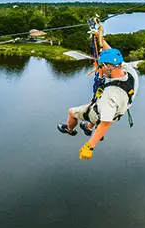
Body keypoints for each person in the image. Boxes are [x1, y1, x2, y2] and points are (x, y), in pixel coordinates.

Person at [57, 31, 139, 160]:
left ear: (109, 66)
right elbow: (112, 53)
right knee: (98, 110)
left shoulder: (110, 96)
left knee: (73, 112)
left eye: (100, 66)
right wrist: (100, 39)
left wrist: (89, 146)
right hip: (120, 110)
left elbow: (105, 123)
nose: (98, 68)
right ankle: (89, 128)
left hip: (106, 114)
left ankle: (69, 129)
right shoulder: (130, 72)